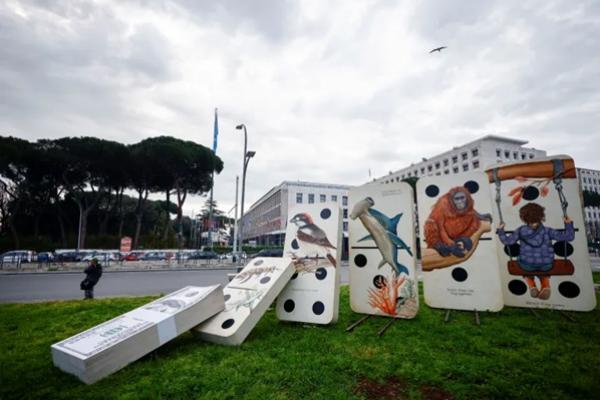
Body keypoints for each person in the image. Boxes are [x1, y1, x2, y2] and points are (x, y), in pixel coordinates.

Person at [496, 203, 574, 300]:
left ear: (523, 217)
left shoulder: (520, 230)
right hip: (547, 265)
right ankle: (545, 285)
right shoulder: (548, 231)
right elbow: (569, 237)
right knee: (543, 269)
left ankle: (531, 285)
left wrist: (501, 230)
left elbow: (507, 241)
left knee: (526, 266)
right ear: (541, 216)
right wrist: (568, 224)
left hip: (526, 265)